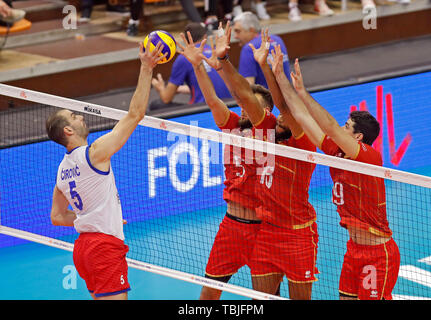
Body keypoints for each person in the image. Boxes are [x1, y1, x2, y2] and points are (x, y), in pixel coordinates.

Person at [271, 47, 401, 300]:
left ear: (358, 137)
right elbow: (300, 116)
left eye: (347, 127)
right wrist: (282, 79)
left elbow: (328, 123)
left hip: (378, 253)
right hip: (353, 250)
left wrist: (304, 93)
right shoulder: (336, 152)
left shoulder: (367, 156)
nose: (341, 129)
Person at [46, 40, 164, 300]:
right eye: (75, 117)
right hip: (103, 248)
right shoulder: (94, 153)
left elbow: (57, 216)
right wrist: (146, 67)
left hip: (83, 250)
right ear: (68, 131)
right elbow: (135, 115)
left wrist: (92, 219)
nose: (81, 117)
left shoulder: (61, 171)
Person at [177, 27, 279, 300]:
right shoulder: (233, 125)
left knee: (266, 298)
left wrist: (223, 62)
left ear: (265, 112)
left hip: (264, 230)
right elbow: (212, 101)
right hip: (232, 227)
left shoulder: (268, 130)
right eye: (243, 105)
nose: (243, 109)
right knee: (208, 295)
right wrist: (198, 65)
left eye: (250, 106)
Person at [246, 28, 319, 300]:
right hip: (266, 232)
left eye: (284, 118)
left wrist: (271, 70)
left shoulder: (304, 143)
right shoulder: (270, 133)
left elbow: (284, 106)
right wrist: (263, 63)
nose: (278, 119)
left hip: (298, 235)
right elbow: (266, 106)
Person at [150, 22, 231, 110]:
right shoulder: (218, 52)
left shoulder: (184, 58)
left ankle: (193, 122)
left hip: (203, 109)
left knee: (156, 105)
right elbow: (214, 84)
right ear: (205, 37)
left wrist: (161, 88)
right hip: (230, 104)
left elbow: (166, 98)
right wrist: (180, 89)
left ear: (186, 39)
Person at [232, 12, 291, 88]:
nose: (236, 37)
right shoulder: (278, 39)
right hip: (288, 96)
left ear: (251, 30)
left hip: (266, 98)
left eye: (238, 31)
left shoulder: (249, 48)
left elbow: (248, 88)